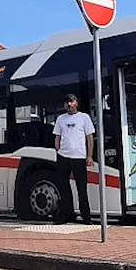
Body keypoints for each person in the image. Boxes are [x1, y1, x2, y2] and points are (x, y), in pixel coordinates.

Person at [53, 93, 95, 224]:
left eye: (71, 102)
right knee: (63, 187)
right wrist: (58, 149)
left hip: (79, 157)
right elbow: (57, 136)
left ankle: (86, 217)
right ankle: (66, 215)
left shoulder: (84, 117)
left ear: (76, 103)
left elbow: (89, 137)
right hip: (63, 157)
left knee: (81, 188)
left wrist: (89, 156)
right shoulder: (61, 118)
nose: (69, 105)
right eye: (67, 103)